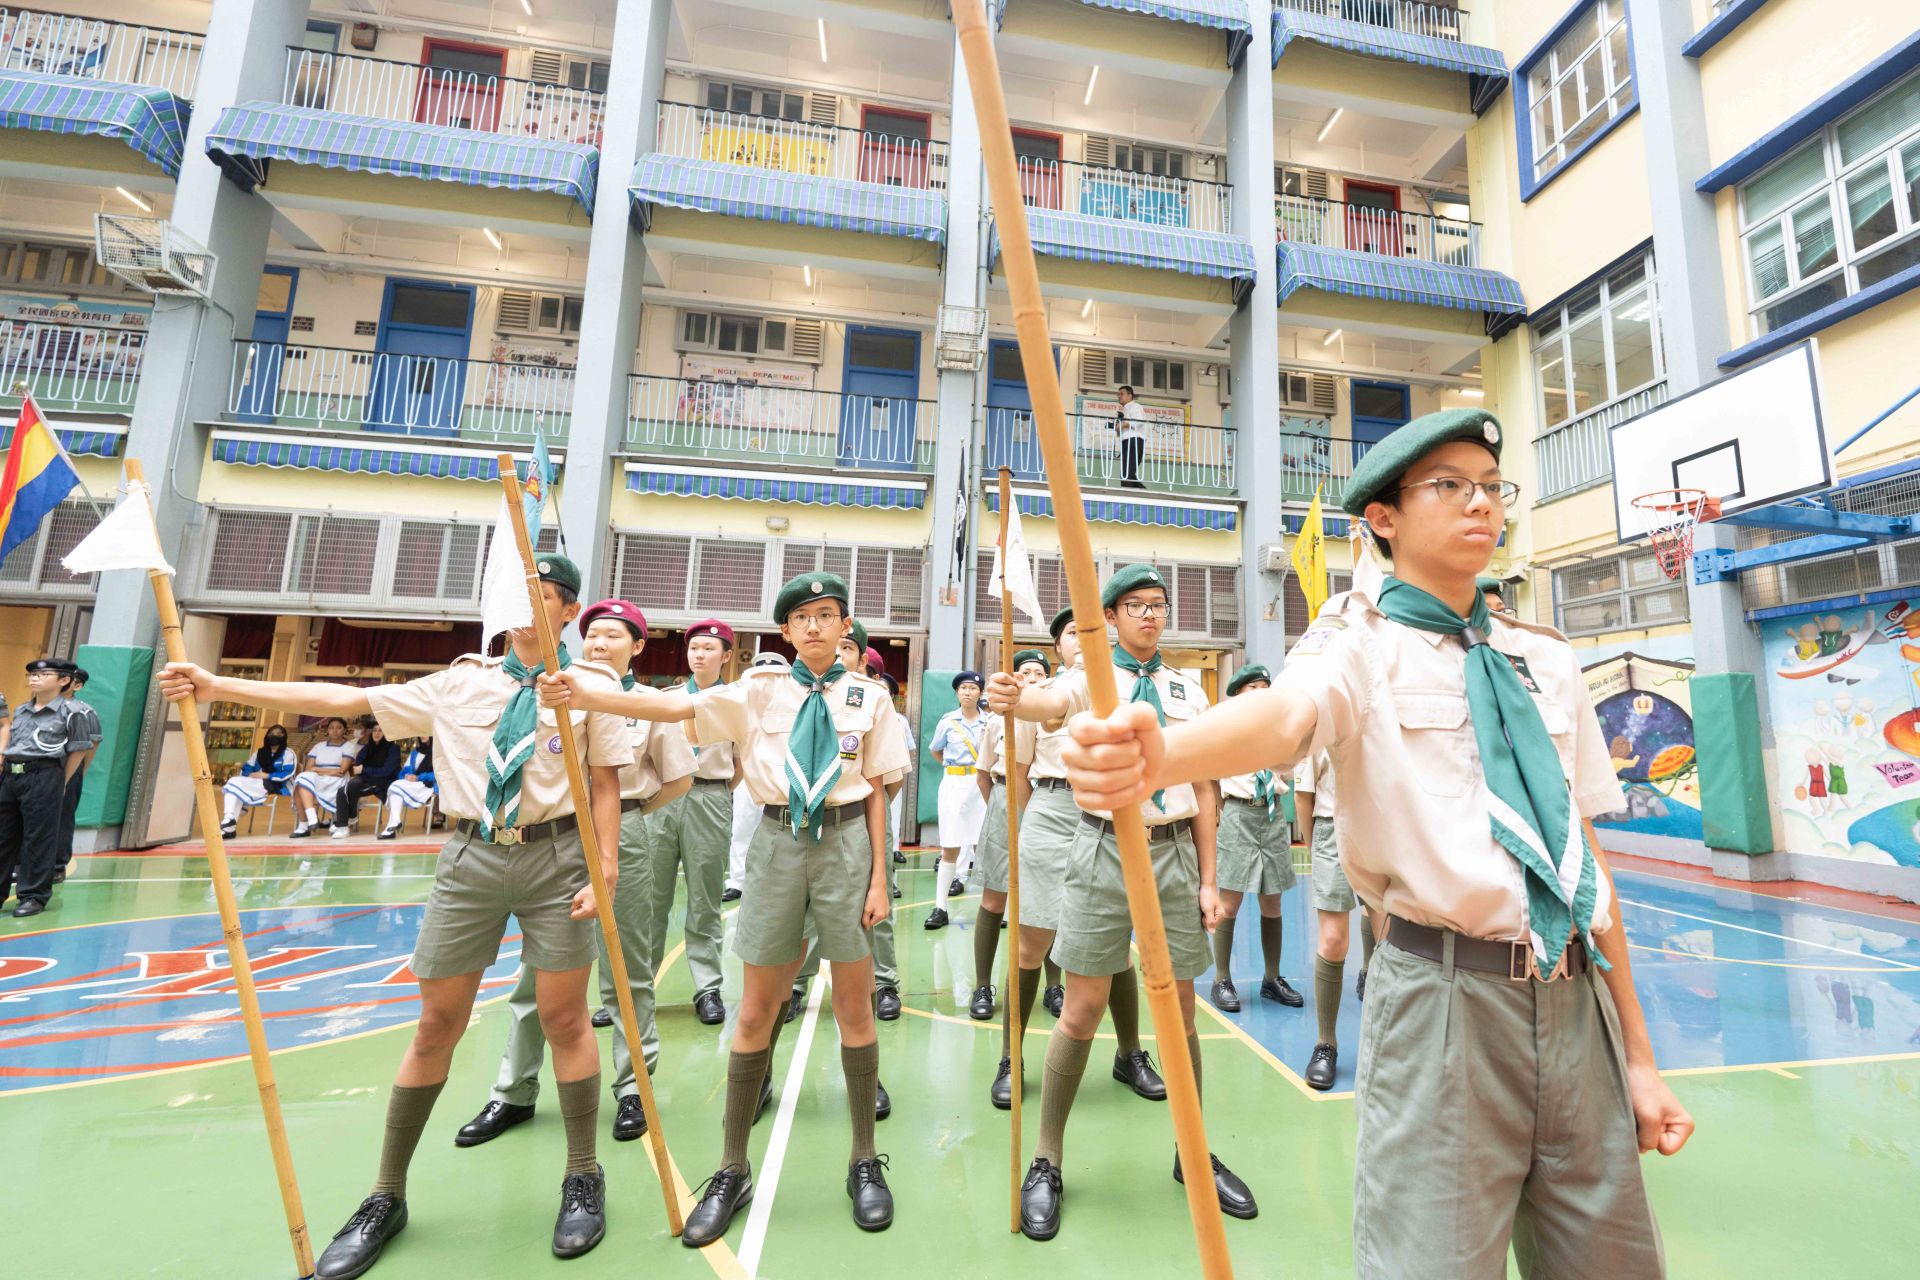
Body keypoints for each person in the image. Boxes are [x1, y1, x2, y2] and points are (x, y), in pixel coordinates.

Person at [1060, 410, 1693, 1277]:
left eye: (1491, 487)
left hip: (1579, 1005)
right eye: (1450, 486)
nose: (1481, 503)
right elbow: (1286, 718)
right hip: (1443, 1004)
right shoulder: (1358, 645)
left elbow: (1584, 862)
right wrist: (1162, 754)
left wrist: (1640, 1060)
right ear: (1382, 518)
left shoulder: (1545, 659)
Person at [158, 554, 628, 1274]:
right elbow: (345, 700)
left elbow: (604, 784)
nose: (530, 605)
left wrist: (606, 869)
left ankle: (582, 1175)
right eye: (520, 593)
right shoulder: (459, 681)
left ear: (569, 611)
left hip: (557, 857)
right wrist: (220, 684)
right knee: (436, 1023)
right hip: (470, 857)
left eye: (547, 595)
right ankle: (386, 1195)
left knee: (565, 1019)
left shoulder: (591, 687)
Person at [537, 572, 907, 1245]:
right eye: (803, 617)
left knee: (855, 1008)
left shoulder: (869, 697)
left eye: (828, 614)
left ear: (845, 626)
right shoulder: (756, 691)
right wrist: (587, 694)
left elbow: (878, 789)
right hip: (777, 842)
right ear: (786, 631)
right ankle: (733, 1168)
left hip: (848, 844)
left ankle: (863, 1159)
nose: (816, 626)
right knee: (758, 1010)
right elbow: (672, 709)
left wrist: (880, 877)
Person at [990, 567, 1252, 1240]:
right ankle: (1046, 1159)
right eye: (1136, 606)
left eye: (1159, 605)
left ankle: (1191, 1154)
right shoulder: (1091, 679)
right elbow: (1048, 704)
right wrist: (1014, 698)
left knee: (1182, 1010)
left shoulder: (1187, 689)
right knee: (1082, 1005)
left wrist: (1208, 879)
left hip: (1173, 853)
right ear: (1109, 617)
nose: (1150, 616)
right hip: (1102, 847)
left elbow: (1205, 789)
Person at [462, 597, 692, 1150]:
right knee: (535, 972)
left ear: (638, 646)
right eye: (593, 635)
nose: (599, 644)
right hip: (555, 838)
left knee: (627, 965)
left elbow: (679, 778)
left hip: (624, 834)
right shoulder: (550, 690)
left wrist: (631, 816)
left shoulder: (648, 704)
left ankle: (633, 1086)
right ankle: (513, 1090)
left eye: (614, 636)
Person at [791, 624, 905, 1029]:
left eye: (848, 647)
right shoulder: (796, 694)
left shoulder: (870, 699)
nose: (838, 653)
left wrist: (865, 808)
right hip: (810, 813)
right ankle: (797, 982)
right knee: (806, 902)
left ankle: (884, 981)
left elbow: (890, 778)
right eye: (835, 646)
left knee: (876, 898)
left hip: (862, 809)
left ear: (861, 659)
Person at [648, 618, 739, 1028]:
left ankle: (707, 988)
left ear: (726, 656)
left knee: (706, 896)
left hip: (709, 796)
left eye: (708, 648)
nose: (699, 655)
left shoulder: (735, 702)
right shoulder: (664, 700)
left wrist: (716, 791)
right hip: (664, 797)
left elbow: (740, 762)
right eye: (694, 648)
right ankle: (636, 988)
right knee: (650, 897)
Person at [1208, 665, 1302, 1014]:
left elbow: (1289, 772)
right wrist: (1228, 810)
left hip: (1272, 815)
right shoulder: (1224, 730)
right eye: (1253, 687)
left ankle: (1272, 978)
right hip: (1239, 814)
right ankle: (1221, 979)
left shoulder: (1279, 731)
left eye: (1265, 686)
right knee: (1229, 902)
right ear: (1238, 694)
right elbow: (1210, 778)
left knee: (1272, 902)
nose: (1261, 692)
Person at [965, 649, 1049, 1020]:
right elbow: (984, 774)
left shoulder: (1057, 716)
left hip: (1048, 802)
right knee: (994, 898)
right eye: (1025, 672)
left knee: (1047, 899)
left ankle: (1054, 985)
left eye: (1038, 673)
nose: (1032, 678)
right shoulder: (998, 718)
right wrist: (1002, 808)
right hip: (1005, 802)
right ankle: (983, 984)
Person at [1293, 748, 1373, 1091]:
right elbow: (1302, 795)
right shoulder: (1321, 728)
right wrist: (1316, 850)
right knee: (1333, 939)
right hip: (1331, 828)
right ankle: (1325, 1043)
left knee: (1389, 937)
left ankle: (1386, 1043)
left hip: (1379, 829)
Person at [1, 658, 90, 918]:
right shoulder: (22, 710)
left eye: (43, 674)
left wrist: (62, 781)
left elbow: (80, 749)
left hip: (44, 774)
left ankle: (33, 896)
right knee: (3, 837)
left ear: (64, 680)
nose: (34, 678)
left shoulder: (73, 712)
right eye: (32, 674)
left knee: (38, 838)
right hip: (11, 775)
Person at [723, 651, 789, 904]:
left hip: (781, 781)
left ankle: (775, 881)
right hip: (747, 779)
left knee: (780, 832)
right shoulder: (742, 708)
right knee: (742, 828)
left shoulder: (793, 707)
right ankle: (737, 881)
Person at [924, 670, 988, 930]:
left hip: (981, 784)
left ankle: (994, 910)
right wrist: (954, 768)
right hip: (953, 782)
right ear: (956, 692)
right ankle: (940, 907)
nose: (967, 692)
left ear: (980, 693)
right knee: (950, 846)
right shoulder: (948, 722)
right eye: (963, 688)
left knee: (984, 846)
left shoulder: (989, 722)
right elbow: (935, 750)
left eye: (973, 688)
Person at [56, 667, 101, 877]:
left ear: (78, 685)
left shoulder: (84, 711)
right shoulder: (37, 707)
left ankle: (57, 866)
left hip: (66, 769)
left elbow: (91, 745)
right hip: (33, 772)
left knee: (62, 818)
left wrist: (77, 773)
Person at [287, 716, 359, 838]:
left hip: (337, 780)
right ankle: (309, 819)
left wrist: (317, 769)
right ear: (327, 730)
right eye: (331, 728)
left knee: (302, 783)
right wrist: (328, 771)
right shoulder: (319, 746)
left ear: (345, 730)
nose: (335, 731)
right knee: (301, 779)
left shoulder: (349, 746)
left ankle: (305, 823)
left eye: (339, 728)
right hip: (319, 778)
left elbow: (341, 771)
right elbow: (308, 769)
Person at [220, 724, 298, 837]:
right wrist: (249, 775)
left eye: (278, 734)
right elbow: (247, 768)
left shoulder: (288, 753)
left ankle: (229, 826)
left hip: (278, 785)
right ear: (267, 736)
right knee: (233, 784)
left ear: (284, 736)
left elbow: (288, 773)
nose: (274, 736)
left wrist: (267, 775)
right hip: (257, 782)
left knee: (233, 786)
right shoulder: (260, 752)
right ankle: (229, 821)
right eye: (271, 733)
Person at [333, 722, 402, 838]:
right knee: (343, 790)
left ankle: (343, 824)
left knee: (348, 788)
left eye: (380, 730)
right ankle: (349, 819)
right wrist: (364, 770)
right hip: (366, 779)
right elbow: (357, 767)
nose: (376, 733)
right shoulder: (368, 747)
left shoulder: (393, 749)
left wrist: (364, 769)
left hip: (382, 782)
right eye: (374, 730)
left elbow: (386, 771)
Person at [378, 739, 436, 839]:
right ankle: (394, 824)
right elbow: (406, 769)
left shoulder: (439, 752)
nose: (422, 735)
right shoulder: (416, 752)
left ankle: (392, 826)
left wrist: (418, 777)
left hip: (429, 786)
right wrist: (407, 776)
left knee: (395, 788)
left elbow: (441, 774)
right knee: (396, 787)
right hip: (414, 784)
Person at [1115, 385, 1147, 490]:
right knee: (1127, 473)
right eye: (1118, 394)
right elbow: (1122, 431)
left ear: (1130, 395)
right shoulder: (1125, 410)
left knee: (1127, 473)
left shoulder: (1135, 406)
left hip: (1134, 441)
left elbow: (1139, 422)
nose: (1119, 396)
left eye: (1122, 394)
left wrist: (1123, 425)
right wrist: (1118, 428)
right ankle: (1141, 491)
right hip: (1127, 442)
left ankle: (1129, 494)